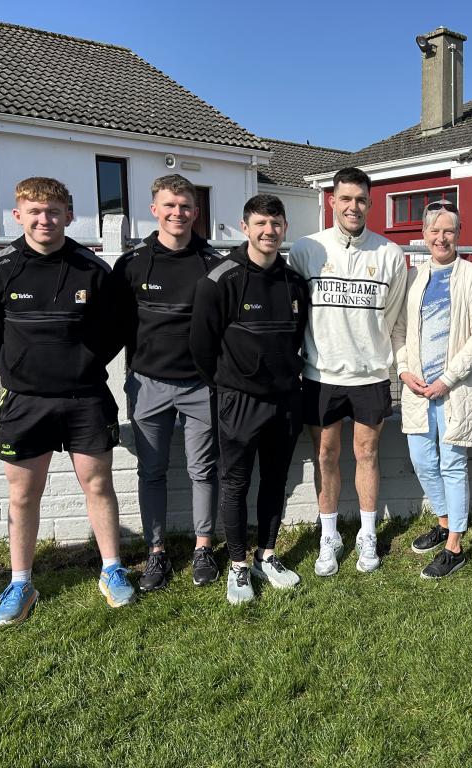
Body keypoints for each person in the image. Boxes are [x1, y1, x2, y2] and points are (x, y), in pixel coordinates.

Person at [0, 177, 134, 626]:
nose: (45, 220)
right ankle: (21, 582)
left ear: (69, 215)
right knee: (23, 495)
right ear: (18, 215)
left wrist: (82, 363)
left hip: (86, 399)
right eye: (35, 211)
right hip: (26, 403)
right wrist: (21, 372)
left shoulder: (92, 269)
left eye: (54, 211)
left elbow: (116, 329)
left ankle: (112, 569)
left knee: (98, 485)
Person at [190, 194, 309, 604]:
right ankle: (238, 565)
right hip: (238, 402)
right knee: (236, 484)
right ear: (245, 227)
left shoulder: (294, 282)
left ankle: (266, 555)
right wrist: (230, 385)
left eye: (276, 223)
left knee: (275, 481)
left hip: (285, 401)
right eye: (260, 223)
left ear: (284, 228)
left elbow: (297, 337)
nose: (268, 231)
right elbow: (201, 348)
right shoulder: (220, 279)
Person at [288, 168, 407, 576]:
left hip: (370, 376)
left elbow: (391, 317)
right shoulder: (306, 249)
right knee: (326, 455)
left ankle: (367, 534)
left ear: (370, 203)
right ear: (332, 201)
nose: (353, 206)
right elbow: (297, 310)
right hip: (320, 375)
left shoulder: (390, 254)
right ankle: (329, 536)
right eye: (345, 198)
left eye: (360, 199)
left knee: (367, 454)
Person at [112, 175, 223, 592]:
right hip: (148, 385)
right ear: (154, 209)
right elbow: (118, 326)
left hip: (200, 386)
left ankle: (203, 548)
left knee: (203, 470)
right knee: (152, 471)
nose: (178, 213)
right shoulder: (132, 264)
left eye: (185, 206)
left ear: (196, 211)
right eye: (169, 205)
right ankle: (156, 553)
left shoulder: (214, 264)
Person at [393, 201, 472, 578]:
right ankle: (444, 520)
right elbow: (399, 330)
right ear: (423, 235)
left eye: (448, 230)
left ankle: (455, 545)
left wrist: (446, 379)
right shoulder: (414, 278)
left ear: (458, 233)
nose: (441, 237)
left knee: (452, 464)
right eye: (434, 231)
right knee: (422, 460)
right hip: (418, 391)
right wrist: (404, 371)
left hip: (455, 389)